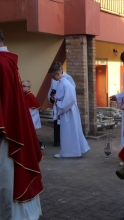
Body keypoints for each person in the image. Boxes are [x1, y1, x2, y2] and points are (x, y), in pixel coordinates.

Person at [0, 29, 43, 220]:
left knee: (7, 175)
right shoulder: (8, 62)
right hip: (12, 128)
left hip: (5, 133)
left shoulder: (1, 63)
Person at [48, 65, 90, 158]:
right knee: (69, 131)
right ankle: (73, 150)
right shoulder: (60, 82)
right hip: (65, 110)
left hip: (68, 111)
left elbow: (69, 100)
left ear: (58, 73)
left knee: (69, 131)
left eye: (53, 75)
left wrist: (59, 105)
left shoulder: (66, 84)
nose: (52, 78)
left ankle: (70, 152)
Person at [48, 61, 75, 147]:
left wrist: (60, 103)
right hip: (58, 106)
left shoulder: (67, 79)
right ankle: (57, 141)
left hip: (64, 107)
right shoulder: (56, 80)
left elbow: (70, 95)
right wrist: (52, 97)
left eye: (53, 76)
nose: (52, 78)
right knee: (57, 124)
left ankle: (66, 143)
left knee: (65, 126)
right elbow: (51, 89)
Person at [22, 80, 45, 150]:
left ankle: (40, 145)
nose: (21, 88)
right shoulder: (25, 95)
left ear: (29, 87)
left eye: (23, 86)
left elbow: (30, 110)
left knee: (30, 134)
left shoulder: (30, 96)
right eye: (21, 86)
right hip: (28, 118)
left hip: (31, 118)